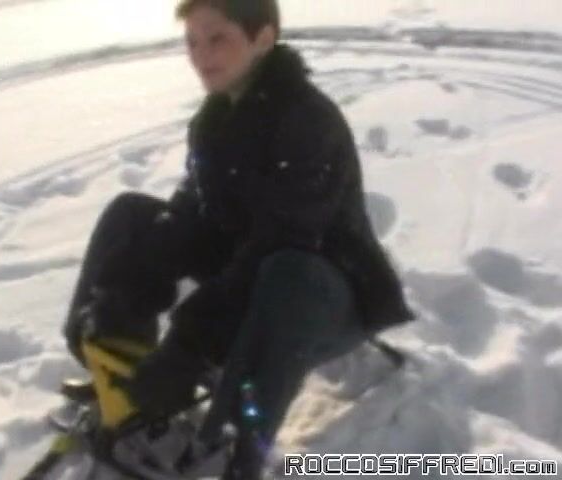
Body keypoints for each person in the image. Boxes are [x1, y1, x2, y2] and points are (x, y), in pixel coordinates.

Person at [64, 0, 415, 478]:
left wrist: (190, 346)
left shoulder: (308, 122)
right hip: (258, 268)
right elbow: (192, 212)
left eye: (217, 39)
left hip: (328, 292)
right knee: (132, 215)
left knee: (286, 273)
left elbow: (284, 240)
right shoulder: (213, 119)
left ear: (263, 39)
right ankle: (120, 372)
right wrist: (117, 295)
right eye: (192, 41)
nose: (201, 55)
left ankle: (239, 453)